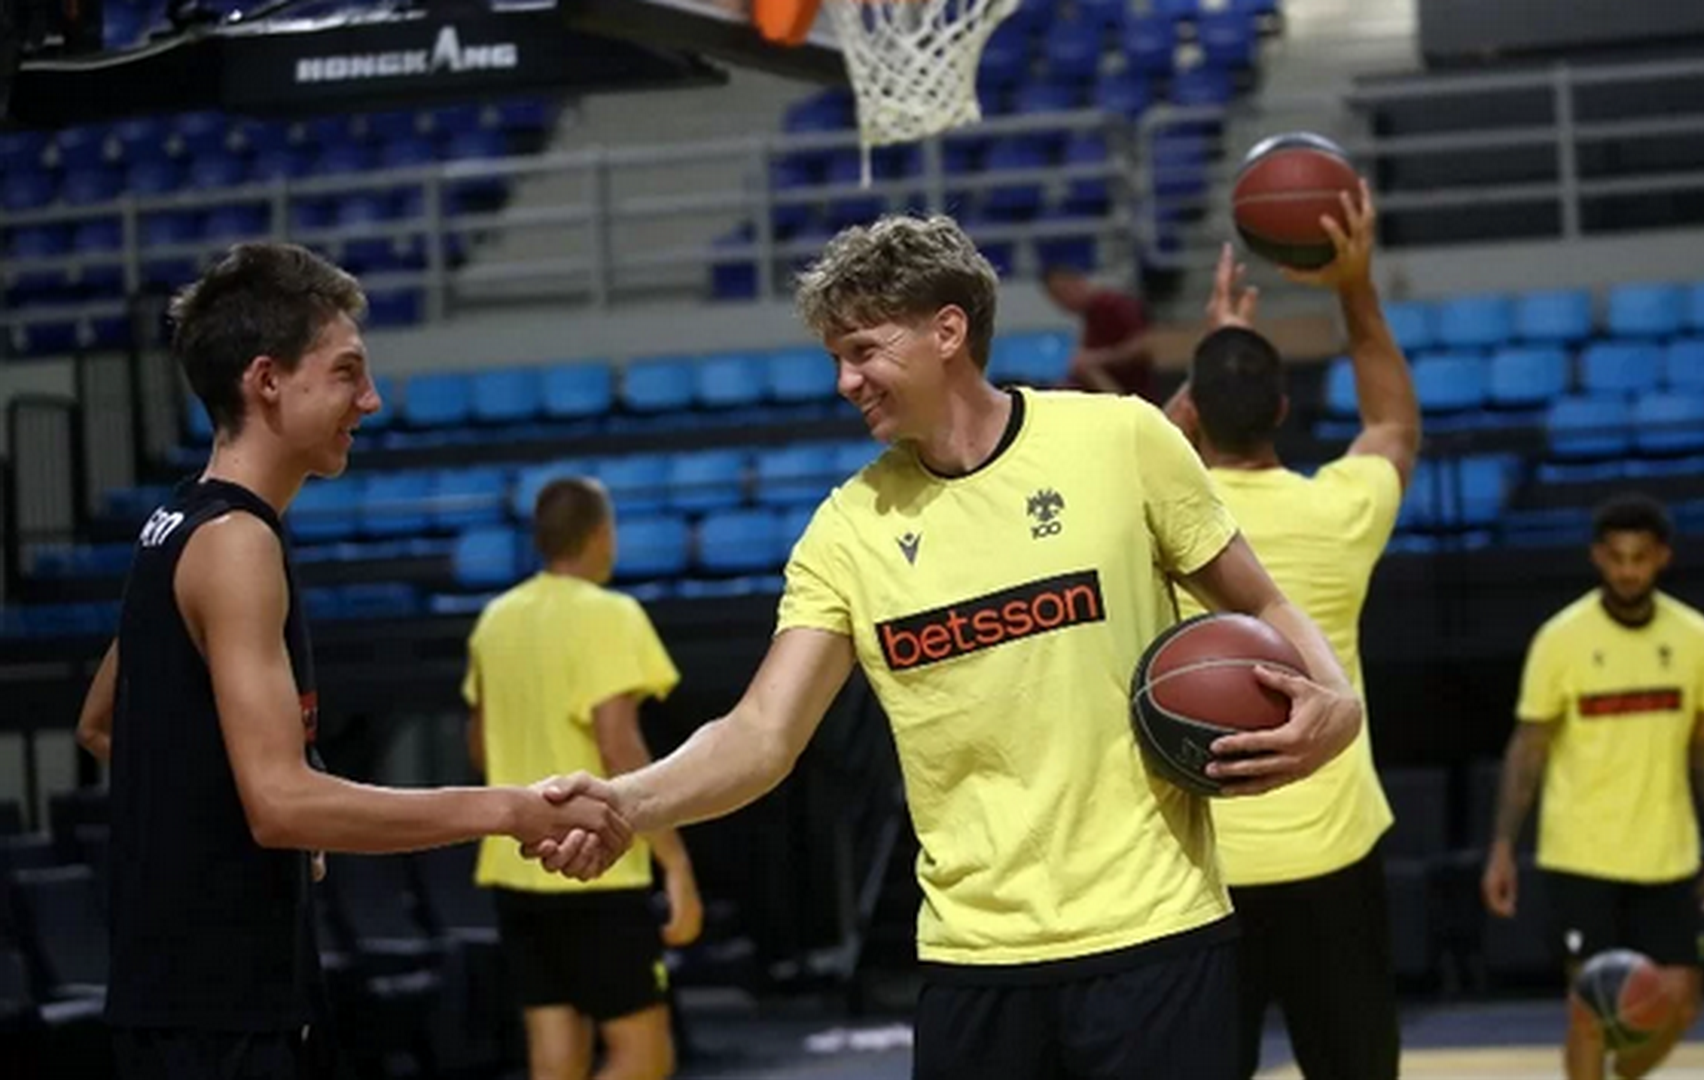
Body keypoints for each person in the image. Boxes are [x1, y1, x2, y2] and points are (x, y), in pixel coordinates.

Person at [530, 213, 1367, 1080]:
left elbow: (1262, 600)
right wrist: (625, 802)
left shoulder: (1122, 440)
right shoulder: (847, 529)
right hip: (975, 962)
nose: (846, 381)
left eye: (863, 351)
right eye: (836, 359)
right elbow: (760, 735)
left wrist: (1337, 705)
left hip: (1156, 940)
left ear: (948, 330)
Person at [74, 242, 631, 1080]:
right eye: (346, 373)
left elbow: (101, 722)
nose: (369, 399)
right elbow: (279, 804)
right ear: (267, 380)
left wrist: (250, 811)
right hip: (219, 1013)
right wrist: (511, 809)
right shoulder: (236, 543)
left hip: (188, 996)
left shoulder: (179, 523)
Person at [1163, 186, 1421, 1080]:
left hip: (1199, 871)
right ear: (1283, 410)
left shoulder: (1153, 520)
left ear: (1192, 412)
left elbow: (1140, 449)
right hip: (1331, 857)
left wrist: (1211, 354)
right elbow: (1392, 425)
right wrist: (1354, 287)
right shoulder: (1339, 511)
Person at [1481, 493, 1704, 1080]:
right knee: (1591, 1010)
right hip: (1581, 853)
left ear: (1662, 557)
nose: (1628, 571)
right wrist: (1502, 847)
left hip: (1667, 852)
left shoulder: (1695, 636)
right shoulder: (1560, 638)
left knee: (1681, 1002)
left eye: (1639, 558)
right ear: (1598, 557)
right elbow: (1528, 747)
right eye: (1617, 557)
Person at [465, 476, 704, 1080]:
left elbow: (479, 744)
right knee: (645, 1057)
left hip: (514, 866)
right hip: (598, 865)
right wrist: (675, 863)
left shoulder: (495, 619)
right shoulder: (611, 614)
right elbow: (619, 746)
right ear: (601, 535)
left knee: (554, 1058)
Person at [1040, 263, 1157, 399]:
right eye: (1056, 297)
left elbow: (1144, 345)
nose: (1062, 302)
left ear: (1079, 282)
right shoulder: (1090, 314)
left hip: (1130, 393)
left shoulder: (1111, 305)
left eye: (1063, 292)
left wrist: (1097, 359)